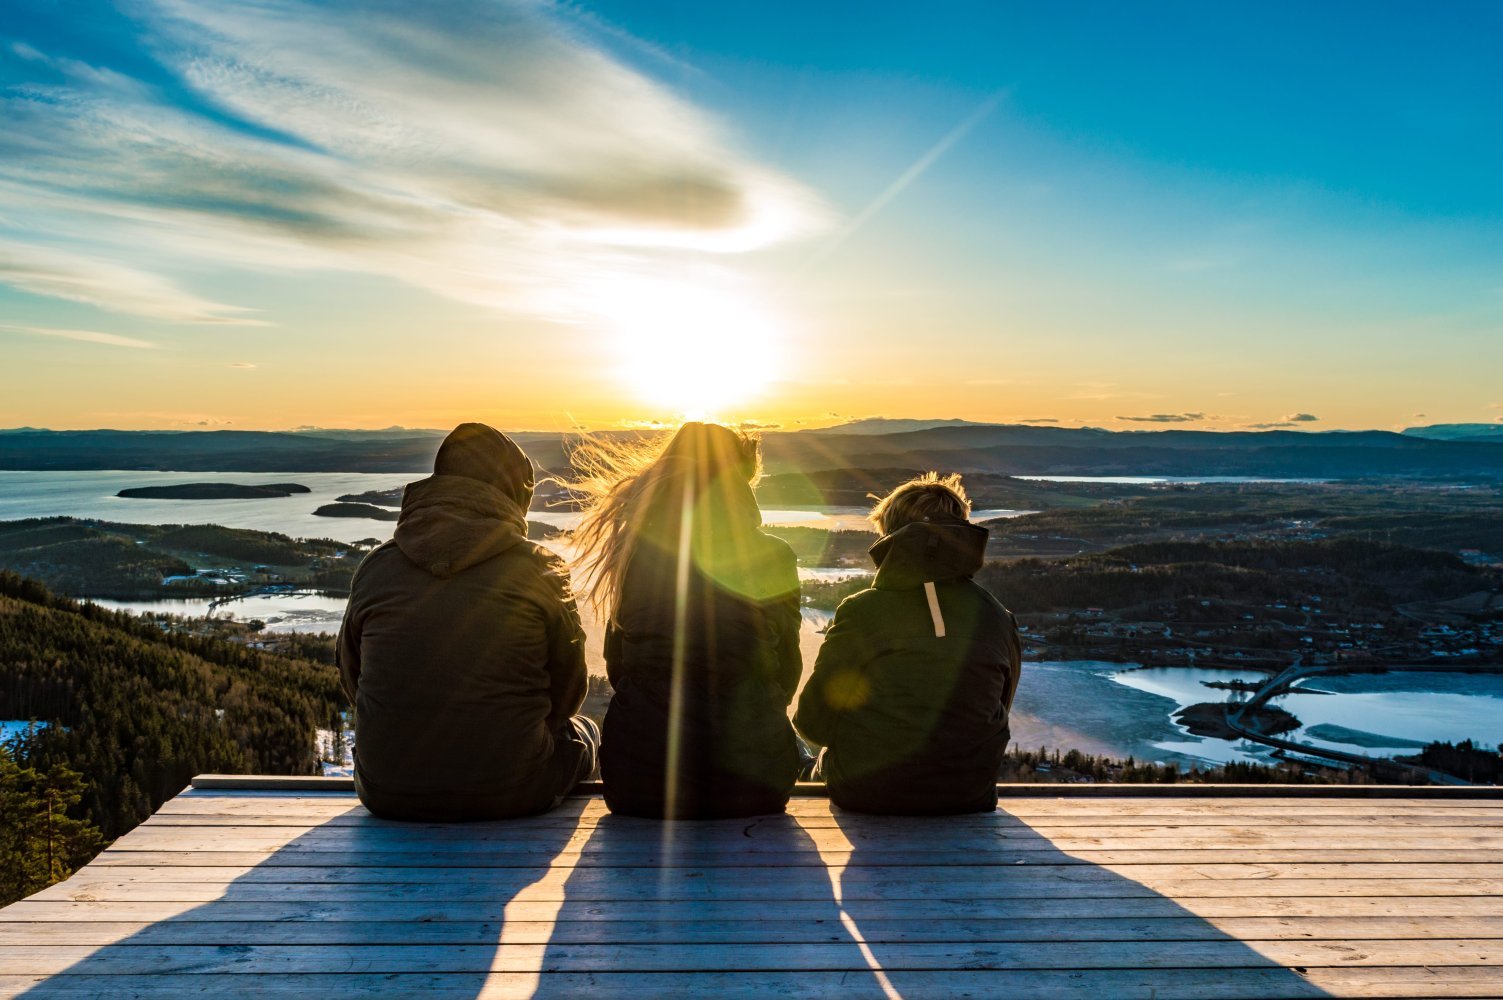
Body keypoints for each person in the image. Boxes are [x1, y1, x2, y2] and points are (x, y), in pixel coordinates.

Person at [336, 422, 597, 821]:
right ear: (513, 495)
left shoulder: (377, 567)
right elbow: (569, 690)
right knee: (587, 732)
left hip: (387, 791)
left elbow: (353, 678)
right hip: (515, 790)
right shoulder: (539, 567)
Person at [571, 422, 802, 819]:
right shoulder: (775, 556)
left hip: (641, 786)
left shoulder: (633, 554)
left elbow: (619, 665)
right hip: (754, 786)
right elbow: (787, 670)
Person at [794, 472, 1021, 815]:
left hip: (868, 795)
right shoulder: (998, 616)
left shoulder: (862, 611)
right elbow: (999, 708)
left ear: (889, 538)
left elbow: (812, 721)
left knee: (801, 754)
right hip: (968, 795)